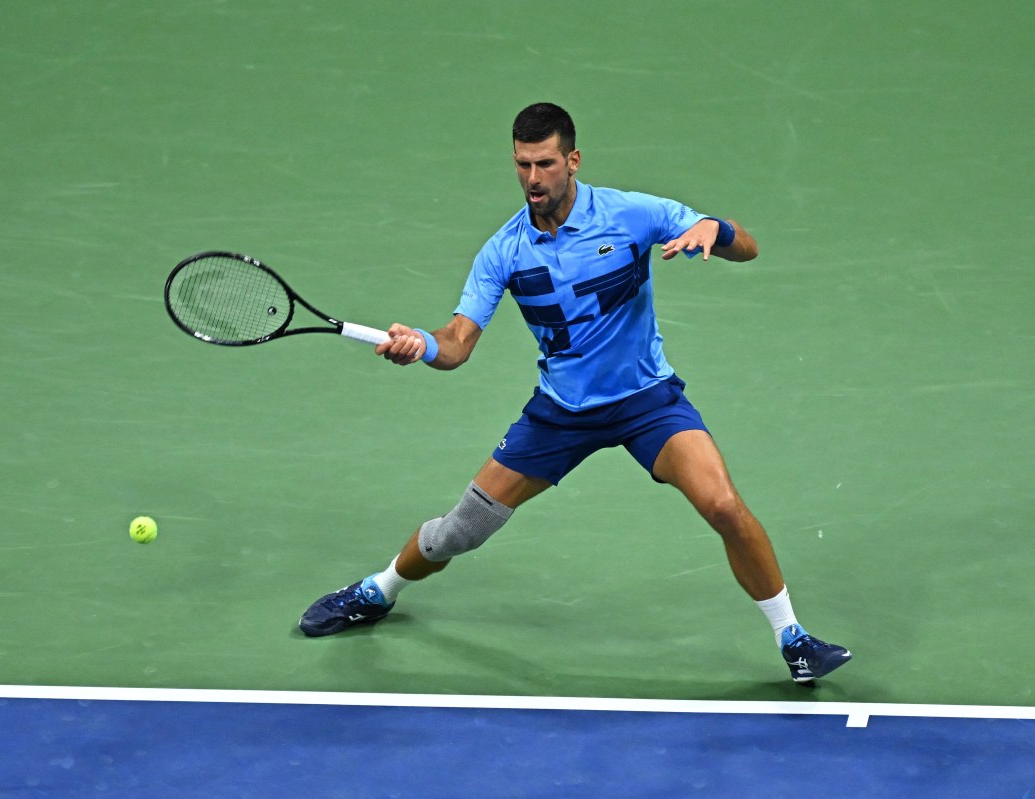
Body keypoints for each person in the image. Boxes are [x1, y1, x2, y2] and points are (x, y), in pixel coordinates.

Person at [298, 102, 850, 683]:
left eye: (544, 164)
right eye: (521, 165)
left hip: (647, 404)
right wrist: (422, 347)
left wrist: (718, 229)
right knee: (460, 530)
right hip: (560, 416)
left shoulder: (633, 214)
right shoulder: (503, 252)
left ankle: (794, 639)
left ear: (573, 160)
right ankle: (378, 590)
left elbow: (749, 248)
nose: (532, 179)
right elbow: (457, 343)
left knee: (724, 507)